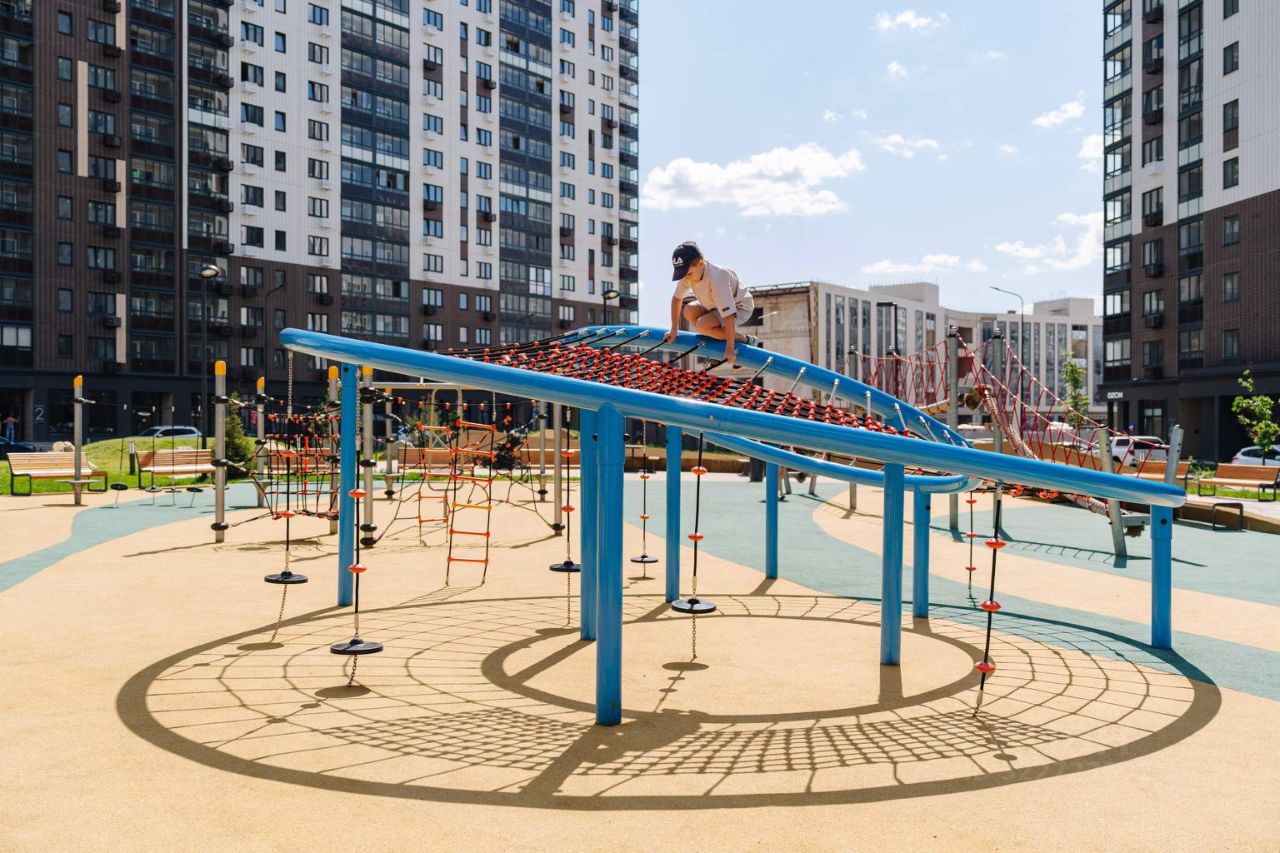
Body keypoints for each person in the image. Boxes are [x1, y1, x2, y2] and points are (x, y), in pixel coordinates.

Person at [662, 241, 756, 363]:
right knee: (689, 311)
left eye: (688, 273)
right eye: (682, 274)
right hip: (714, 304)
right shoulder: (688, 275)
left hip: (739, 307)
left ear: (701, 264)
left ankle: (746, 340)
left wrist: (729, 348)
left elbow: (729, 315)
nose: (685, 278)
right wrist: (674, 329)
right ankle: (716, 336)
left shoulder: (717, 278)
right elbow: (677, 299)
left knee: (703, 325)